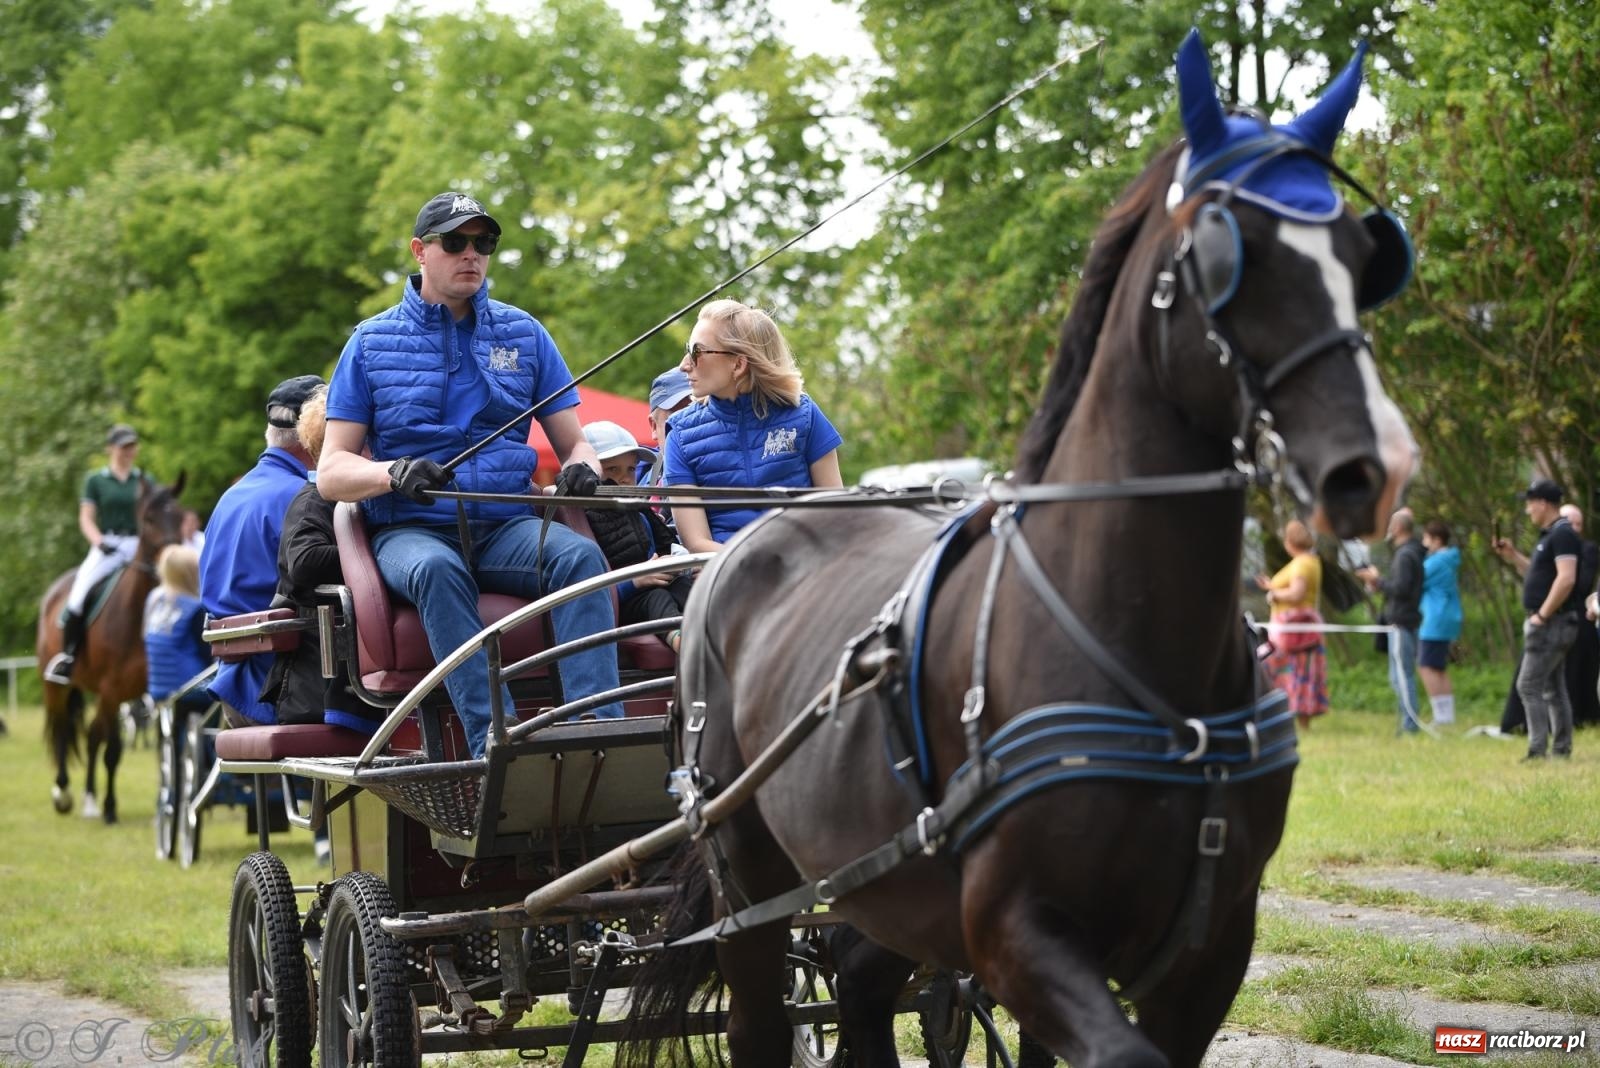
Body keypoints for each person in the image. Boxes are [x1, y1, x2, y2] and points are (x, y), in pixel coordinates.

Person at [318, 190, 622, 758]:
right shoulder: (370, 342)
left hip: (506, 525)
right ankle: (496, 741)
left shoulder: (526, 334)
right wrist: (392, 473)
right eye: (454, 242)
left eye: (483, 243)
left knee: (580, 558)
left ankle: (596, 734)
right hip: (413, 528)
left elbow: (576, 442)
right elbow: (332, 471)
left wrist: (584, 469)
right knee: (437, 569)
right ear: (419, 252)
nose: (471, 255)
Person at [663, 299, 844, 553]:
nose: (684, 364)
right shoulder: (680, 434)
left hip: (806, 566)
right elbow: (697, 542)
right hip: (725, 574)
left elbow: (836, 512)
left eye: (697, 352)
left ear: (738, 364)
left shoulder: (804, 413)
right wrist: (754, 563)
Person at [200, 375, 324, 727]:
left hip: (232, 689)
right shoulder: (306, 499)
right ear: (313, 434)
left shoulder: (229, 498)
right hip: (285, 690)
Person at [259, 385, 366, 730]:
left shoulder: (356, 498)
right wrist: (374, 554)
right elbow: (305, 561)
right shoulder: (312, 500)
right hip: (318, 688)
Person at [43, 425, 154, 684]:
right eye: (123, 446)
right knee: (78, 594)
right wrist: (98, 541)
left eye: (132, 446)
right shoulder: (96, 480)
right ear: (110, 448)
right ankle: (68, 657)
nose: (129, 451)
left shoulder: (144, 480)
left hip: (138, 546)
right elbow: (86, 518)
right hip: (108, 544)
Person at [581, 421, 694, 647]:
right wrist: (635, 581)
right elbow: (589, 587)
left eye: (631, 469)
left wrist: (674, 563)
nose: (624, 478)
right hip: (621, 600)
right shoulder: (583, 516)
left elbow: (664, 546)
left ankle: (722, 628)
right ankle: (685, 643)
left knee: (687, 587)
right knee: (657, 599)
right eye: (612, 469)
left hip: (656, 582)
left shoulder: (640, 511)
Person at [1493, 478, 1581, 760]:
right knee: (1552, 688)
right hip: (1552, 622)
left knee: (1528, 685)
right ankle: (1561, 749)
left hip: (1552, 623)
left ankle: (1537, 750)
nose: (1528, 510)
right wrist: (1513, 556)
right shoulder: (1551, 535)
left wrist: (1542, 615)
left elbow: (1566, 579)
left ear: (1543, 503)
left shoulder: (1563, 534)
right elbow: (1540, 575)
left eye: (1530, 504)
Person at [1357, 510, 1425, 733]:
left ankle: (1410, 724)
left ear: (1398, 528)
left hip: (1401, 621)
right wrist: (1379, 583)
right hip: (1405, 619)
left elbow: (1402, 589)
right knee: (1399, 675)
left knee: (1402, 677)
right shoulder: (1410, 552)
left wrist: (1377, 581)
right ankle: (1406, 721)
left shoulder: (1405, 555)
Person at [1256, 519, 1328, 728]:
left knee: (1290, 669)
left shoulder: (1302, 563)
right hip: (1295, 627)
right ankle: (1290, 715)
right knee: (1297, 670)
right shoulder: (1310, 561)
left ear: (1289, 541)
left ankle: (1291, 715)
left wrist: (1274, 594)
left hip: (1294, 629)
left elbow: (1297, 593)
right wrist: (1272, 585)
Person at [142, 545, 211, 715]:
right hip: (189, 688)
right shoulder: (194, 609)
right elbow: (208, 654)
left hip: (158, 686)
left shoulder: (155, 602)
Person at [1417, 519, 1462, 725]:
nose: (1423, 544)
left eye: (1426, 539)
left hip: (1435, 618)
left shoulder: (1435, 563)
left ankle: (1441, 716)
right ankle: (1447, 716)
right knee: (1439, 667)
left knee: (1426, 667)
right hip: (1449, 616)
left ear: (1436, 540)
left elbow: (1414, 580)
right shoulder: (1450, 559)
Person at [1559, 504, 1600, 727]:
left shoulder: (1588, 549)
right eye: (1569, 523)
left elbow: (1583, 587)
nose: (1574, 528)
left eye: (1578, 524)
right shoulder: (1550, 546)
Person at [642, 367, 693, 489]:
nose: (690, 427)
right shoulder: (637, 477)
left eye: (699, 413)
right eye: (676, 419)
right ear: (654, 426)